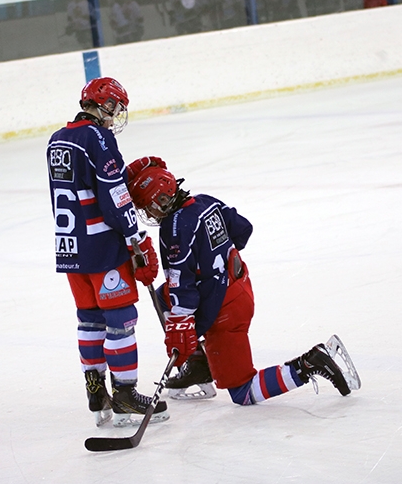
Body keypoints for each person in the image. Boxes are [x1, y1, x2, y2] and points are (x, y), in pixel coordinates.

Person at [125, 159, 360, 406]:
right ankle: (198, 365)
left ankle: (309, 363)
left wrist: (181, 322)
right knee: (162, 296)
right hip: (238, 287)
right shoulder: (206, 202)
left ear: (162, 199)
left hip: (223, 311)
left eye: (148, 207)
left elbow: (180, 281)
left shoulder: (173, 229)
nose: (147, 214)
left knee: (243, 392)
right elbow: (242, 229)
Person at [45, 77, 168, 428]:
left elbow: (80, 188)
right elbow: (114, 196)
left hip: (71, 248)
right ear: (104, 105)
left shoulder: (57, 139)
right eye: (115, 107)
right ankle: (126, 395)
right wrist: (137, 238)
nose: (116, 115)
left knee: (89, 320)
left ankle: (96, 393)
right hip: (102, 248)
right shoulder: (98, 138)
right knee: (120, 319)